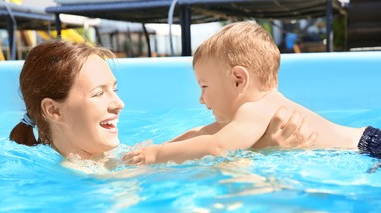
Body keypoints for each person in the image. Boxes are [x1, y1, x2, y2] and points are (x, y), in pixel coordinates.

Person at [9, 40, 315, 162]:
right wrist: (263, 150)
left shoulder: (114, 165)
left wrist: (255, 142)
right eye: (99, 93)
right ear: (53, 110)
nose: (119, 104)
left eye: (114, 89)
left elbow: (198, 140)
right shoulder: (80, 186)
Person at [124, 21, 381, 165]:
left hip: (368, 149)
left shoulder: (254, 109)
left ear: (238, 80)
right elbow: (205, 133)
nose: (201, 98)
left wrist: (154, 155)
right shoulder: (258, 109)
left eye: (204, 86)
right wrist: (165, 145)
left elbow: (217, 146)